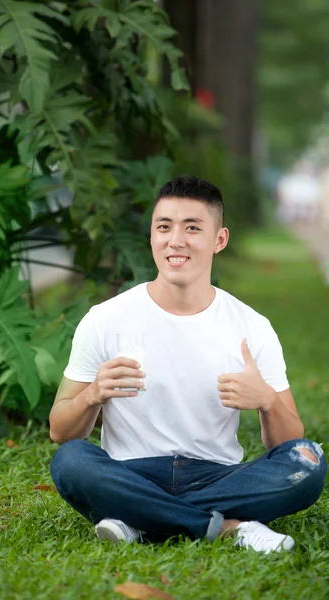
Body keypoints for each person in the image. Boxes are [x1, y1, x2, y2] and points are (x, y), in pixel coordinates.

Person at [49, 175, 326, 554]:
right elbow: (60, 431)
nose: (175, 240)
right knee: (71, 462)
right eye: (164, 227)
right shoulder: (105, 319)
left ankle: (137, 519)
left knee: (309, 460)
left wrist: (267, 400)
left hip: (217, 474)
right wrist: (92, 395)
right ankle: (229, 527)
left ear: (219, 240)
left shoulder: (252, 327)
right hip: (131, 471)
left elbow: (288, 444)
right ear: (151, 236)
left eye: (192, 228)